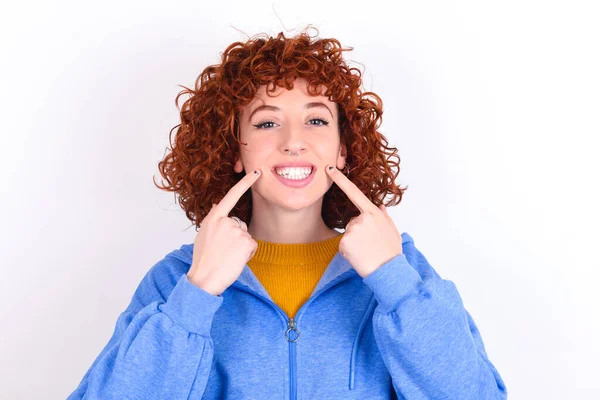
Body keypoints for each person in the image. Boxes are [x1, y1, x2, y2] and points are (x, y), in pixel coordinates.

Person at [67, 26, 507, 399]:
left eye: (316, 121)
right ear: (235, 150)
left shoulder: (401, 272)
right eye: (266, 122)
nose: (294, 140)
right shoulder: (177, 279)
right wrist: (196, 294)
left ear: (342, 146)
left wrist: (394, 280)